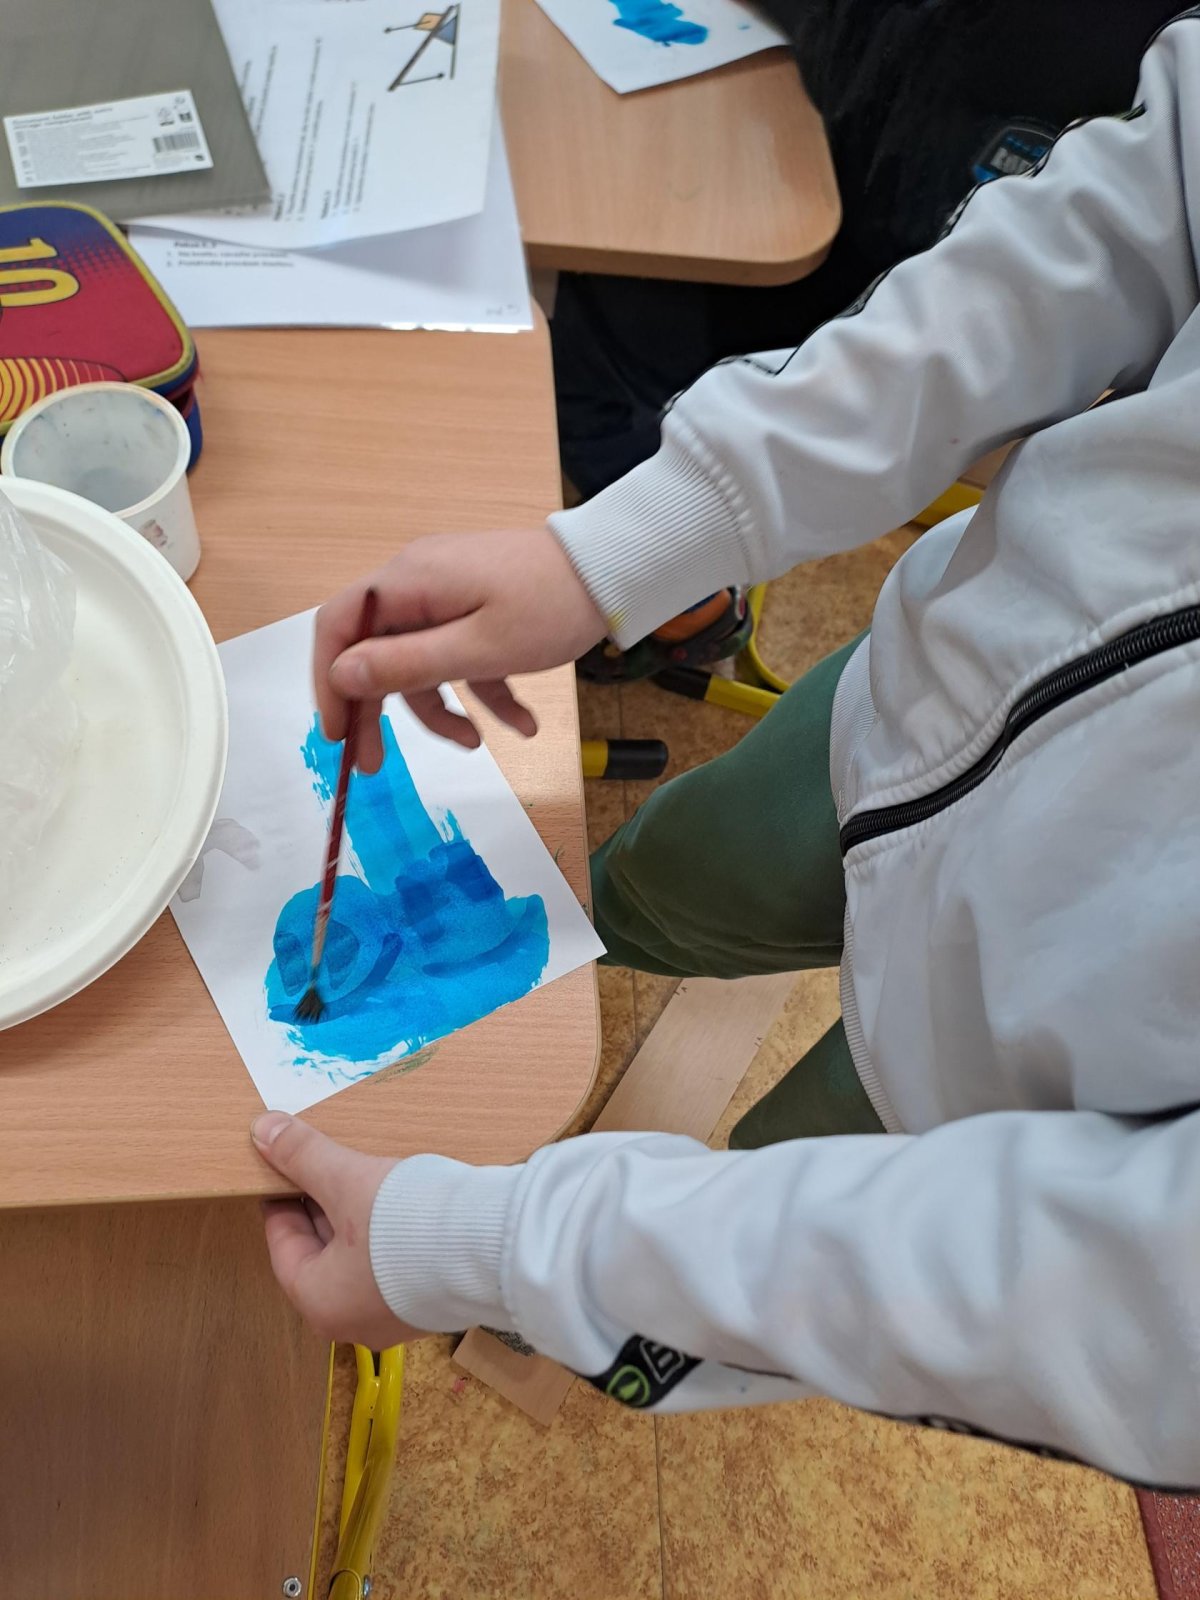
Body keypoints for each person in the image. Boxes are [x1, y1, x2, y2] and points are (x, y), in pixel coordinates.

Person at [255, 12, 1200, 1489]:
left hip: (1003, 1104)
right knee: (652, 884)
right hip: (917, 695)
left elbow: (1079, 1291)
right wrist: (616, 549)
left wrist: (505, 1251)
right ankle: (568, 959)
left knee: (771, 1185)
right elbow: (1130, 211)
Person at [560, 0, 1184, 684]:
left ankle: (688, 600)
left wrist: (628, 549)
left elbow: (972, 327)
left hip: (886, 266)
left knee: (599, 322)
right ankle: (661, 552)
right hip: (853, 164)